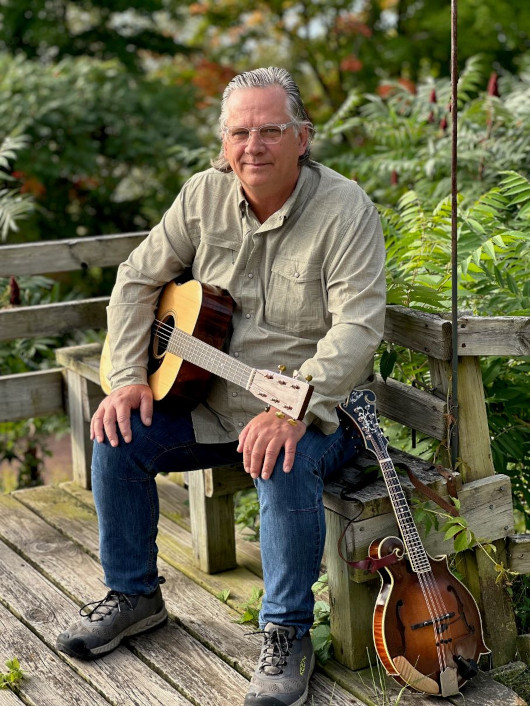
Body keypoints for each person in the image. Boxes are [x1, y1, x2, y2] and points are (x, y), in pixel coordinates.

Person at [56, 66, 386, 706]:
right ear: (223, 141)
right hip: (208, 403)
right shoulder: (201, 196)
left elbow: (358, 326)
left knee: (281, 455)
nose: (253, 147)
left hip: (318, 414)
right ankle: (135, 594)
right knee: (118, 436)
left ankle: (286, 633)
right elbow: (135, 281)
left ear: (303, 137)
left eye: (270, 130)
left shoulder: (346, 210)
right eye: (240, 133)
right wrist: (126, 377)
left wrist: (296, 404)